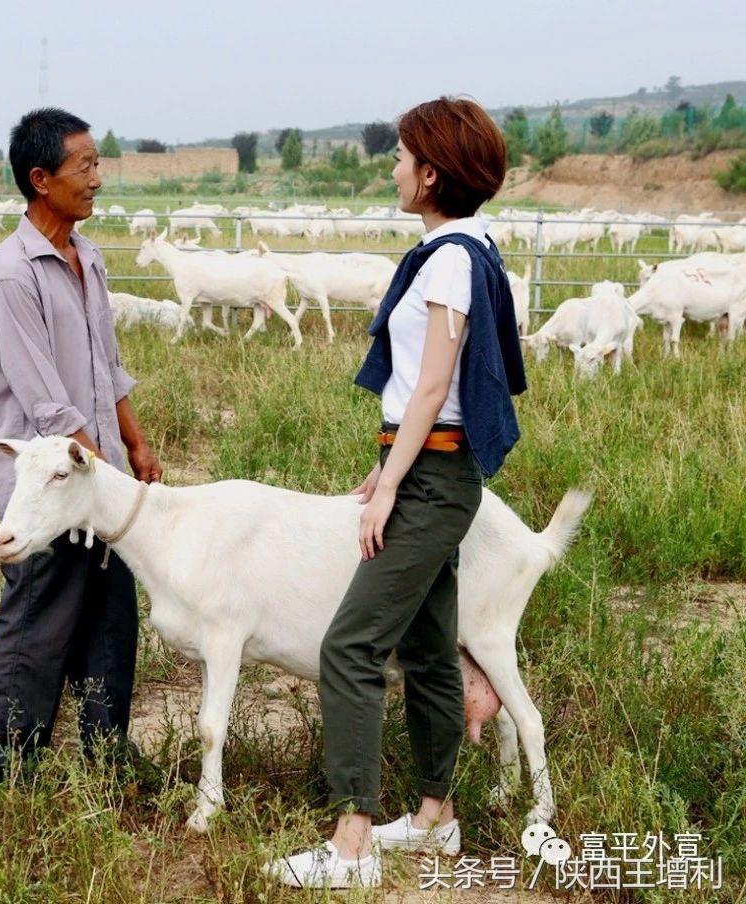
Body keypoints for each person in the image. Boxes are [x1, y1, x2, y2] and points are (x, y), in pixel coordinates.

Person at [266, 96, 526, 889]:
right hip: (429, 468)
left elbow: (433, 385)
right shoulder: (465, 247)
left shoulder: (448, 259)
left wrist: (389, 492)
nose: (393, 167)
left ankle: (350, 843)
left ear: (431, 173)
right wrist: (387, 466)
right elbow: (426, 390)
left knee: (349, 647)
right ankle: (435, 819)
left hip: (435, 478)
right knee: (426, 646)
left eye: (402, 156)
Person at [0, 108, 162, 780]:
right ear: (40, 178)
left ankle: (106, 753)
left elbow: (105, 365)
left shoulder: (89, 258)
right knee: (39, 617)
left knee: (111, 617)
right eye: (84, 165)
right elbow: (47, 406)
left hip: (99, 473)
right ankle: (14, 761)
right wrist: (104, 477)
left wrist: (134, 446)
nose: (97, 179)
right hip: (50, 489)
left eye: (96, 164)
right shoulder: (9, 275)